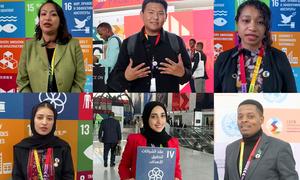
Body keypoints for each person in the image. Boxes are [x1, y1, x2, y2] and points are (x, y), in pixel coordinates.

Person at [107, 0, 191, 92]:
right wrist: (126, 77)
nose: (155, 17)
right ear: (142, 15)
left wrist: (182, 73)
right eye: (151, 12)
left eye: (160, 13)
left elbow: (188, 75)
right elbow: (112, 81)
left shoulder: (176, 41)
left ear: (166, 16)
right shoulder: (129, 43)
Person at [214, 0, 296, 92]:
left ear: (266, 28)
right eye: (246, 20)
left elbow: (292, 98)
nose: (252, 27)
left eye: (260, 22)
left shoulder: (279, 57)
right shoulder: (223, 58)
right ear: (237, 24)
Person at [17, 0, 86, 92]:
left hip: (66, 102)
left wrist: (69, 99)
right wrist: (32, 99)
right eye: (43, 14)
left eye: (53, 14)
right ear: (39, 20)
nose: (47, 18)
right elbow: (22, 81)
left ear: (61, 21)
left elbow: (79, 80)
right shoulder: (28, 46)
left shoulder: (73, 44)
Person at [224, 99, 298, 180]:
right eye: (240, 117)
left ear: (261, 120)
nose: (244, 120)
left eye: (250, 116)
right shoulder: (230, 148)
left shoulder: (280, 148)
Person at [119, 101, 182, 180]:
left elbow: (176, 167)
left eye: (162, 116)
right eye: (153, 116)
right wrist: (127, 178)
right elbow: (123, 166)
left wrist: (177, 178)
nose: (159, 121)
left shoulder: (173, 142)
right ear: (146, 118)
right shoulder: (134, 140)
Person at [12, 101, 74, 179]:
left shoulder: (63, 147)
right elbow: (17, 177)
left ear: (54, 122)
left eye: (49, 118)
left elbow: (68, 176)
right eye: (40, 117)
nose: (44, 122)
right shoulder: (21, 148)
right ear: (33, 120)